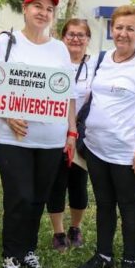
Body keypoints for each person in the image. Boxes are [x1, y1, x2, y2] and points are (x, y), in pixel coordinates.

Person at [0, 0, 77, 268]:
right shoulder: (6, 43)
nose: (43, 12)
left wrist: (71, 130)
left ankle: (27, 250)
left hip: (50, 139)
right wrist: (6, 112)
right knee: (19, 197)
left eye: (49, 9)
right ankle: (10, 262)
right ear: (25, 9)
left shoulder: (59, 49)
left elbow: (67, 95)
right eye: (37, 6)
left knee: (38, 198)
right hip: (11, 137)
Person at [76, 6, 135, 268]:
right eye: (119, 27)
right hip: (96, 148)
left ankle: (129, 261)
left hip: (127, 153)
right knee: (103, 204)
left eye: (130, 29)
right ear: (111, 30)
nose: (123, 33)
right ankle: (103, 255)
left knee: (128, 206)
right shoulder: (102, 60)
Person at [46, 19, 94, 252]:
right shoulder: (53, 63)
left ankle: (75, 227)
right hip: (55, 130)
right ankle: (58, 232)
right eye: (71, 34)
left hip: (83, 134)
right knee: (56, 182)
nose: (76, 39)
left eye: (81, 35)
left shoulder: (96, 65)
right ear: (62, 37)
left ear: (88, 39)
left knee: (78, 183)